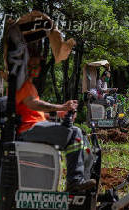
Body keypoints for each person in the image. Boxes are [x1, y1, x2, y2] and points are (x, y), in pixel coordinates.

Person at [16, 49, 96, 192]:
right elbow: (32, 104)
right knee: (74, 132)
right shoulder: (22, 85)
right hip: (28, 130)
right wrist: (62, 106)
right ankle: (75, 181)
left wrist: (60, 113)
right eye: (32, 65)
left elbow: (37, 113)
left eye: (37, 66)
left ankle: (81, 179)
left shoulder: (31, 87)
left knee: (79, 133)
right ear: (24, 66)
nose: (36, 69)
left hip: (36, 126)